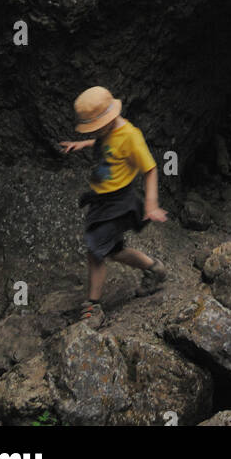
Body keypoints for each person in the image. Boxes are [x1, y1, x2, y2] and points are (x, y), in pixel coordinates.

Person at [60, 86, 167, 328]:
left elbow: (150, 169)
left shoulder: (131, 136)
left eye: (96, 129)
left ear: (107, 120)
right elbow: (106, 142)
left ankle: (93, 306)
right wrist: (84, 143)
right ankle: (154, 268)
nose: (95, 132)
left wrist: (151, 204)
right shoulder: (106, 131)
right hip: (102, 202)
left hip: (119, 203)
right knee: (114, 250)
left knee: (95, 249)